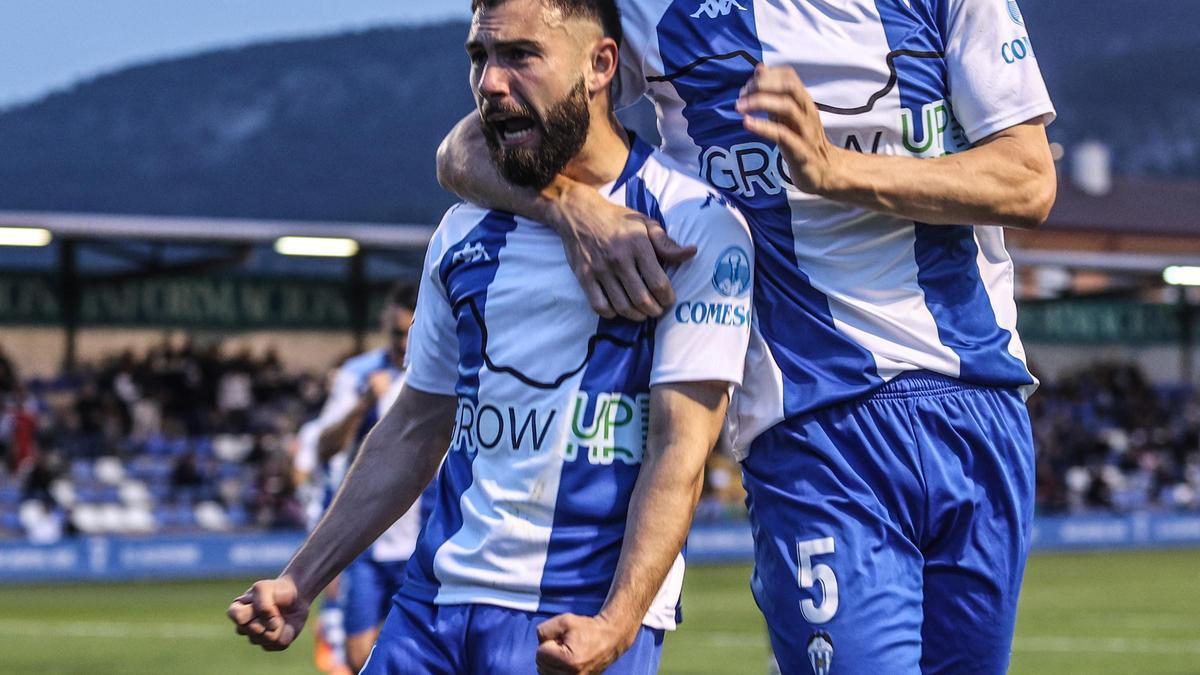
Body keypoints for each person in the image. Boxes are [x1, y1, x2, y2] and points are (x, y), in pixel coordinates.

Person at [437, 0, 1058, 672]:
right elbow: (465, 149)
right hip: (813, 424)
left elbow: (1027, 180)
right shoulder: (654, 11)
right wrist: (571, 209)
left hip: (980, 406)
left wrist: (834, 171)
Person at [228, 0, 755, 673]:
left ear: (601, 66)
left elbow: (679, 449)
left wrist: (617, 624)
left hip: (569, 620)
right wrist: (300, 578)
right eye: (480, 57)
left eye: (521, 56)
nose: (491, 84)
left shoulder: (694, 227)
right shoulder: (463, 230)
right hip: (432, 605)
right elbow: (415, 424)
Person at [298, 289, 426, 673]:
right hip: (367, 543)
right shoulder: (358, 375)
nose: (403, 344)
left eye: (411, 334)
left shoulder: (442, 372)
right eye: (396, 334)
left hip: (423, 538)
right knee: (358, 658)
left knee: (421, 652)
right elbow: (323, 447)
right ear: (386, 326)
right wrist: (364, 402)